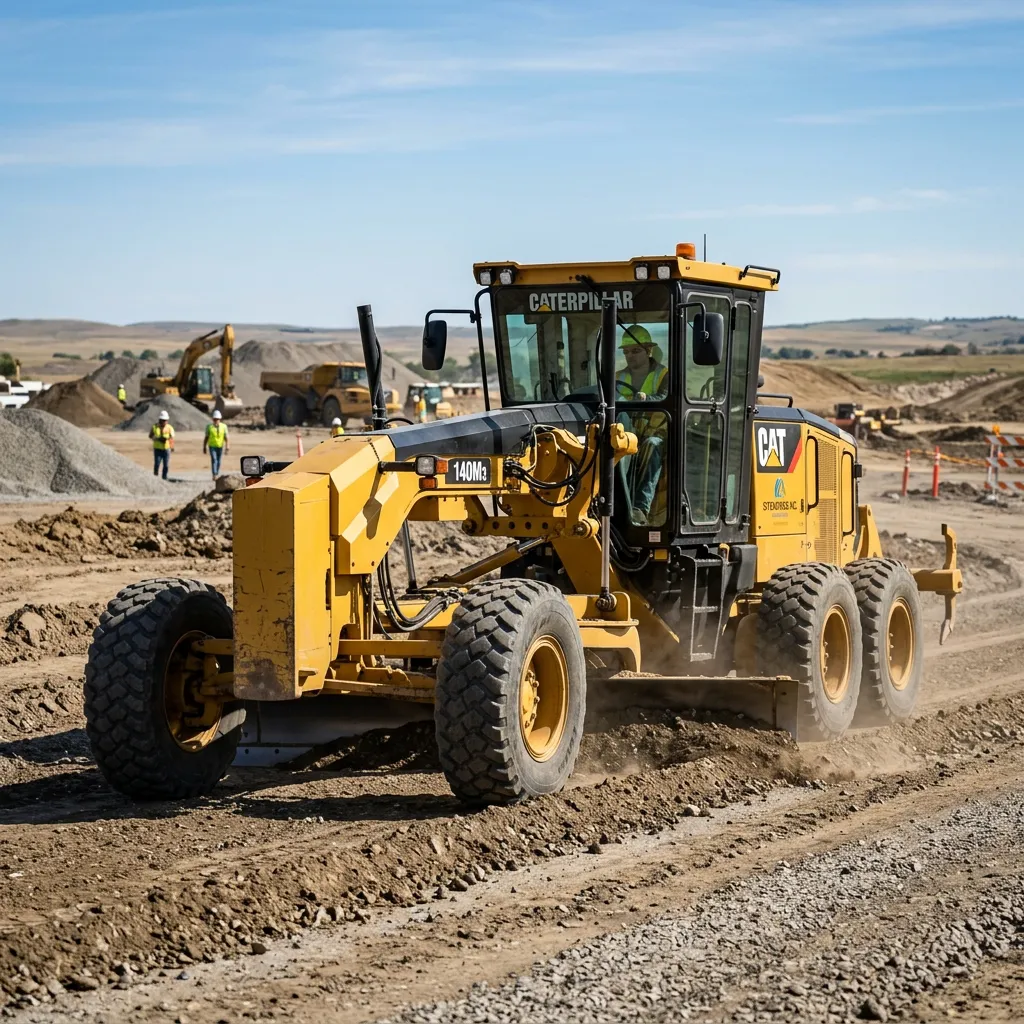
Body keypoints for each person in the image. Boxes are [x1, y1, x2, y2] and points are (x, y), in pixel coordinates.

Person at [615, 326, 668, 525]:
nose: (630, 356)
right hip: (625, 433)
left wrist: (647, 398)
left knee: (652, 445)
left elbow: (665, 397)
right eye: (626, 352)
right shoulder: (617, 377)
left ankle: (640, 507)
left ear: (648, 351)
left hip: (655, 433)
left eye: (635, 351)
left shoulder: (664, 375)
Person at [203, 409, 229, 478]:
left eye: (217, 419)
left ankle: (216, 472)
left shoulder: (224, 427)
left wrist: (227, 446)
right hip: (212, 446)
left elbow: (226, 438)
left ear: (220, 419)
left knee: (219, 461)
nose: (216, 421)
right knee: (214, 460)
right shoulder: (209, 427)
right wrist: (204, 447)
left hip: (220, 446)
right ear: (213, 419)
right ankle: (214, 474)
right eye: (215, 419)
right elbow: (206, 437)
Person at [151, 409, 175, 479]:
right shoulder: (155, 427)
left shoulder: (169, 428)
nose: (165, 422)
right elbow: (150, 436)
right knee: (157, 464)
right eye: (163, 420)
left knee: (166, 465)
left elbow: (171, 438)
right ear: (160, 419)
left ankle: (164, 477)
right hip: (157, 449)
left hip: (166, 449)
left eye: (166, 420)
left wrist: (172, 446)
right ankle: (155, 477)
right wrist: (158, 439)